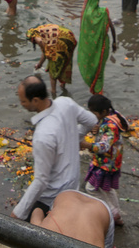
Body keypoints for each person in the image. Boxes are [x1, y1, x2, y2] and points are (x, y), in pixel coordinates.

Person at [12, 76, 98, 220]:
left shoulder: (43, 135)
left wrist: (18, 213)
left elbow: (41, 180)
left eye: (23, 101)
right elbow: (92, 121)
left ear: (35, 101)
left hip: (52, 197)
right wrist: (75, 137)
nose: (21, 104)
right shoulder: (66, 103)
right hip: (73, 184)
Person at [84, 94, 128, 227]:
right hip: (114, 161)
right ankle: (117, 213)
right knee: (107, 189)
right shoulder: (114, 115)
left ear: (103, 112)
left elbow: (104, 146)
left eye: (94, 113)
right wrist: (98, 126)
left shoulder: (109, 126)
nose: (92, 116)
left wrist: (88, 145)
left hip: (105, 163)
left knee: (91, 188)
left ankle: (112, 212)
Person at [29, 190, 113, 248]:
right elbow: (37, 211)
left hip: (100, 208)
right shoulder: (41, 237)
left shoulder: (43, 239)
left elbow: (37, 210)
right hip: (68, 197)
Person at [77, 0, 117, 94]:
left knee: (91, 67)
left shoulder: (86, 15)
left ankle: (94, 88)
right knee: (100, 70)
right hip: (103, 45)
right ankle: (99, 91)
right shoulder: (103, 13)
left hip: (89, 47)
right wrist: (114, 42)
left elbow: (83, 32)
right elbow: (112, 27)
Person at [26, 24, 78, 98]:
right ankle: (63, 85)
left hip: (60, 40)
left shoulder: (35, 36)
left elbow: (42, 44)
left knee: (52, 66)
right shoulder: (41, 29)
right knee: (65, 61)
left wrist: (48, 53)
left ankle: (53, 91)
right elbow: (44, 51)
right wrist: (39, 64)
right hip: (69, 37)